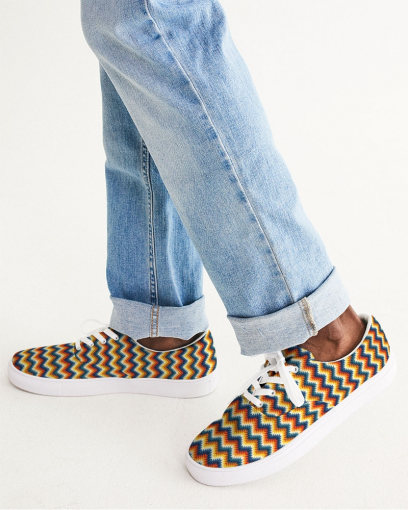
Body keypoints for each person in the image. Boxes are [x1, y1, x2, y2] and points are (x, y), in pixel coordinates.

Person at [8, 0, 396, 486]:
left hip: (332, 340)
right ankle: (159, 330)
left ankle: (325, 332)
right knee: (127, 33)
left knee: (150, 18)